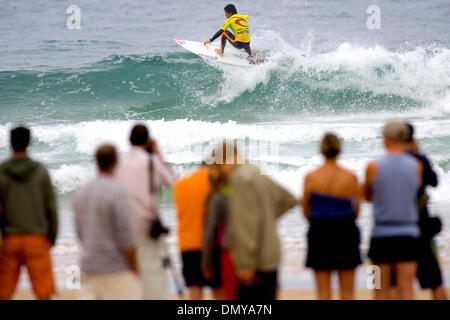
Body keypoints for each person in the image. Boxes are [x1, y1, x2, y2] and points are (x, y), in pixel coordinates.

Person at [209, 140, 298, 300]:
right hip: (271, 255)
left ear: (230, 159)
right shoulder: (256, 172)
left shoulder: (239, 179)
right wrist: (267, 219)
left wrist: (246, 264)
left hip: (255, 261)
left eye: (219, 166)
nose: (221, 172)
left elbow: (246, 226)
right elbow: (289, 199)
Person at [363, 121, 423, 300]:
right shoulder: (416, 166)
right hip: (408, 234)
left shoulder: (373, 166)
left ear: (386, 138)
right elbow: (415, 192)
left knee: (379, 291)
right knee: (407, 291)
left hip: (381, 235)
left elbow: (367, 196)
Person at [115, 124, 176, 300]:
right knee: (154, 276)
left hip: (123, 227)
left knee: (130, 276)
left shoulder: (119, 162)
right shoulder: (152, 161)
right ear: (148, 141)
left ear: (129, 140)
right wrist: (158, 154)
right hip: (147, 227)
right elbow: (171, 181)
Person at [74, 144, 141, 300]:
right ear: (116, 162)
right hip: (116, 268)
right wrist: (135, 265)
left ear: (96, 162)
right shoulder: (118, 192)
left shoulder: (81, 192)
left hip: (89, 265)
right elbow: (125, 236)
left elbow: (80, 232)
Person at [0, 126, 58, 300]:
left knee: (4, 291)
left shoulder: (2, 171)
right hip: (37, 238)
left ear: (10, 143)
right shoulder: (40, 171)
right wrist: (52, 236)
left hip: (10, 239)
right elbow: (50, 206)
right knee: (43, 292)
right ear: (29, 142)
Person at [302, 133, 361, 300]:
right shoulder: (351, 177)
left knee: (323, 293)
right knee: (348, 294)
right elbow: (357, 210)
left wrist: (319, 220)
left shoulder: (311, 177)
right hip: (345, 231)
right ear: (339, 150)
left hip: (319, 232)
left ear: (321, 150)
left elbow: (306, 208)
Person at [402, 123, 446, 300]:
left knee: (398, 283)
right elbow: (434, 181)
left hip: (395, 226)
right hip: (421, 225)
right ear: (412, 139)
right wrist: (418, 154)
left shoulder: (385, 162)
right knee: (435, 281)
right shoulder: (419, 160)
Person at [173, 163, 223, 300]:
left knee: (194, 291)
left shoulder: (181, 184)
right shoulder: (217, 182)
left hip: (187, 245)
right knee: (218, 290)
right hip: (212, 245)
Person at [202, 158, 239, 300]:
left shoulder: (217, 196)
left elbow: (210, 232)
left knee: (229, 294)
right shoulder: (240, 192)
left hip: (227, 251)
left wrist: (206, 262)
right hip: (247, 249)